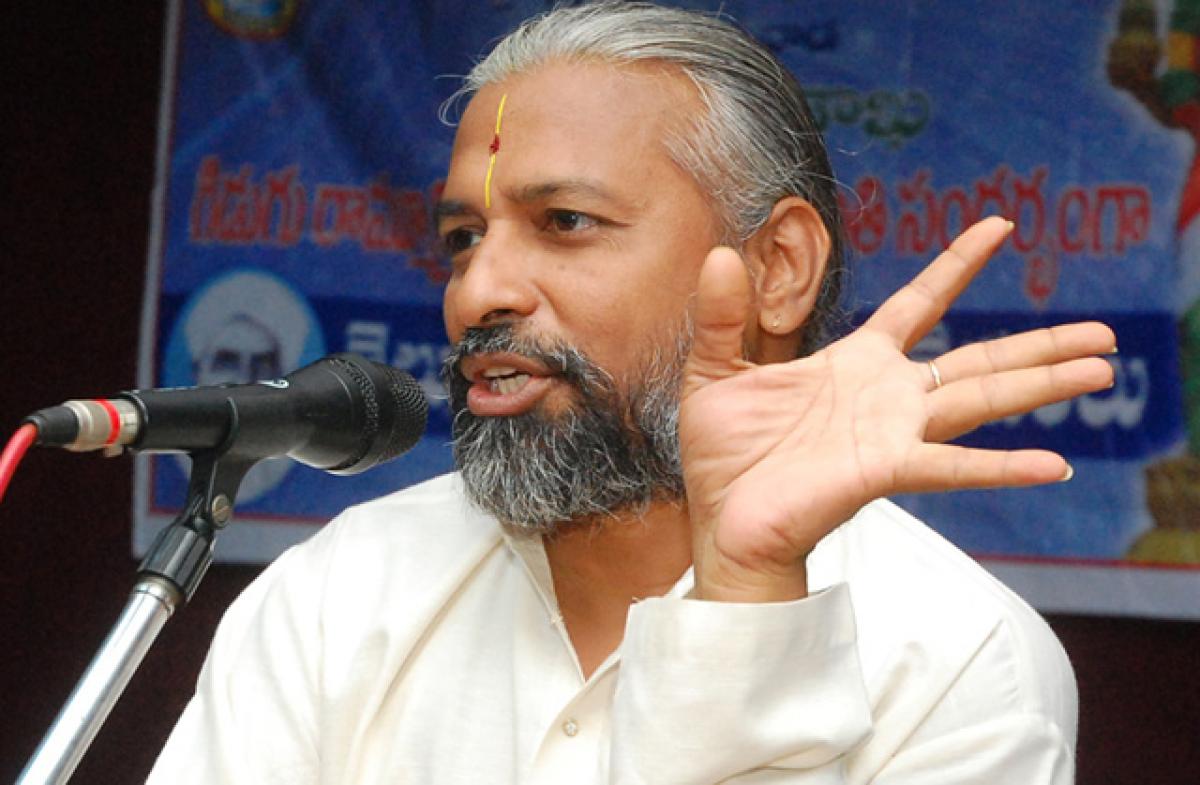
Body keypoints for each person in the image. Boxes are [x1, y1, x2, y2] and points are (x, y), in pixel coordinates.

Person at [148, 3, 1115, 783]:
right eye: (461, 240)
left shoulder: (957, 660)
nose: (477, 291)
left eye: (565, 221)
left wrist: (745, 603)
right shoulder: (337, 595)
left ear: (777, 267)